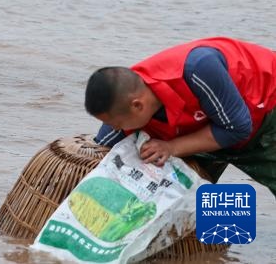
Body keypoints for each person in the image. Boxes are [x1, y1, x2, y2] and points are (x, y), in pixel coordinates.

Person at [86, 37, 276, 197]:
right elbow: (101, 155)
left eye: (117, 124)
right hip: (208, 125)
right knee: (188, 199)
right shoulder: (123, 102)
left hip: (264, 111)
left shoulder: (198, 69)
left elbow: (238, 128)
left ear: (137, 105)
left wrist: (171, 147)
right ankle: (218, 238)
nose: (116, 130)